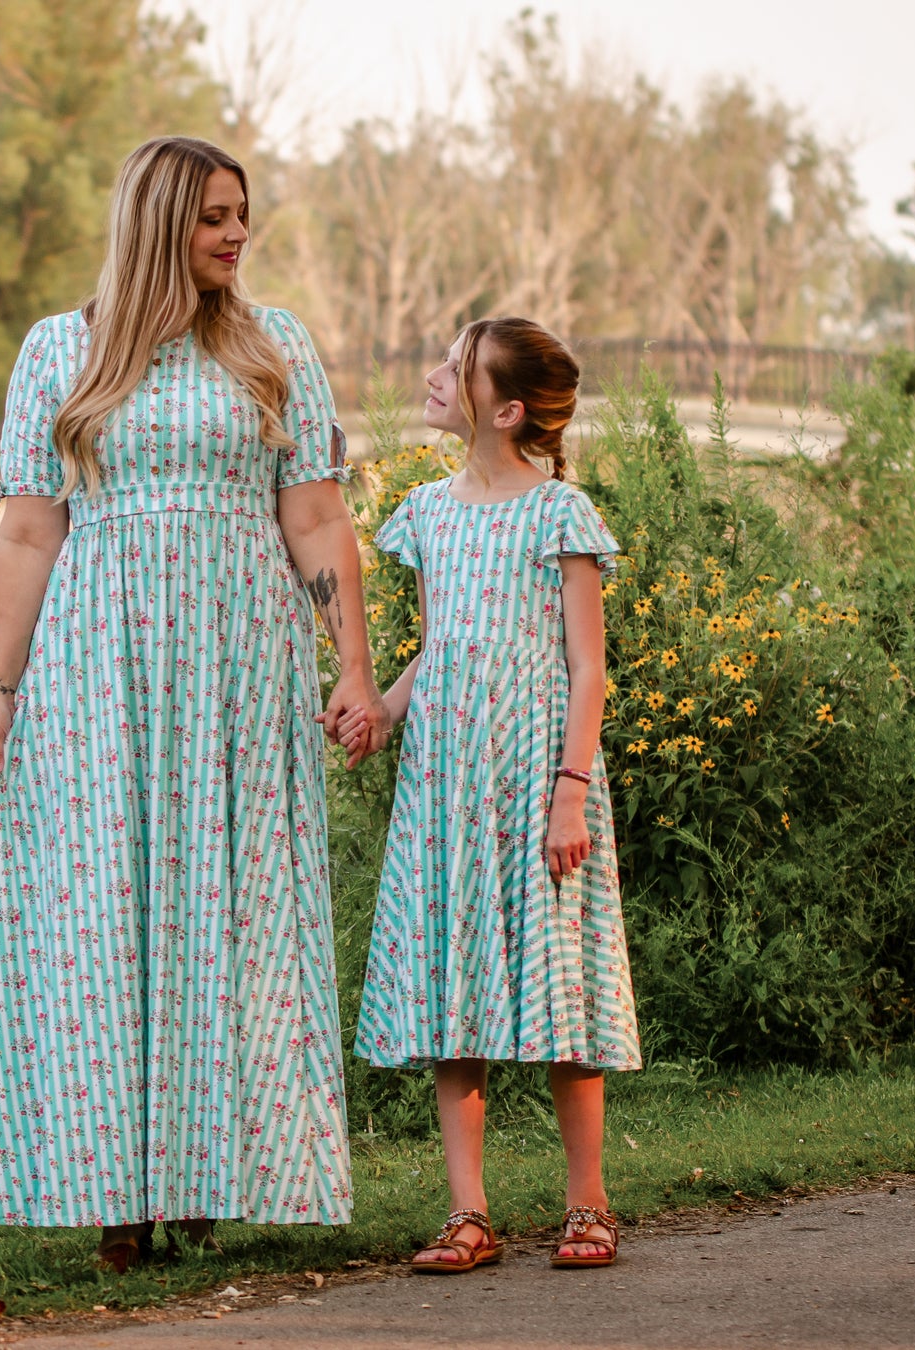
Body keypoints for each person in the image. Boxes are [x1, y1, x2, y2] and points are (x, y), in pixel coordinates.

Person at [0, 135, 382, 1271]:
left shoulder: (272, 343)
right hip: (99, 671)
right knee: (105, 912)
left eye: (242, 214)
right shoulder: (61, 351)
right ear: (156, 225)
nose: (237, 235)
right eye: (213, 219)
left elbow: (314, 518)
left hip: (241, 662)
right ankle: (115, 1193)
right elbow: (29, 531)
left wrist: (349, 662)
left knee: (232, 913)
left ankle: (212, 1171)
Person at [337, 317, 641, 1273]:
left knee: (561, 990)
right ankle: (468, 1214)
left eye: (456, 368)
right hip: (449, 786)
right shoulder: (427, 513)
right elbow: (441, 648)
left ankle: (587, 1205)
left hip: (540, 782)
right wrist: (382, 712)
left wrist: (570, 793)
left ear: (504, 411)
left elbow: (587, 669)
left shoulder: (560, 516)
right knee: (453, 992)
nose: (434, 377)